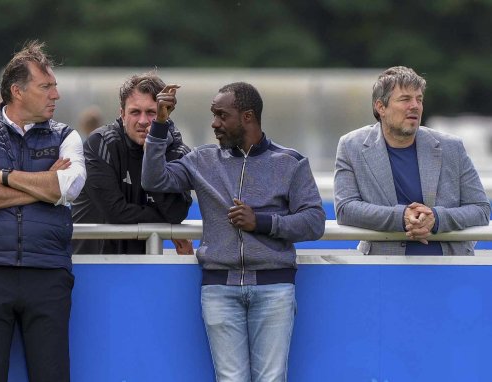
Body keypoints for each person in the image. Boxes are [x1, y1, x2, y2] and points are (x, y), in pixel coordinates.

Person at [142, 82, 325, 381]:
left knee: (271, 378)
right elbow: (153, 179)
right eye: (213, 115)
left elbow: (314, 221)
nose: (214, 123)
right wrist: (160, 124)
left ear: (248, 117)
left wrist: (262, 223)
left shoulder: (291, 162)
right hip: (218, 289)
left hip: (274, 287)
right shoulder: (202, 160)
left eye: (221, 115)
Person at [0, 40, 86, 381]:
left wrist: (5, 178)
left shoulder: (67, 136)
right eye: (46, 87)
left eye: (54, 86)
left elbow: (69, 187)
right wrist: (43, 188)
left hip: (48, 273)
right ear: (17, 91)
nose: (56, 95)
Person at [334, 65, 490, 255]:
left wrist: (436, 218)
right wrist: (401, 217)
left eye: (419, 99)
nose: (415, 106)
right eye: (405, 99)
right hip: (382, 267)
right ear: (381, 107)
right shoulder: (351, 146)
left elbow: (481, 209)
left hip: (450, 266)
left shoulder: (452, 147)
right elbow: (345, 209)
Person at [71, 72, 193, 255]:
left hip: (144, 268)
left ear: (164, 115)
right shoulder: (100, 143)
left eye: (152, 112)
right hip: (92, 266)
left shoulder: (177, 149)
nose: (143, 121)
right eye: (135, 112)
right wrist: (165, 220)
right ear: (122, 114)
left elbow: (176, 212)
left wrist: (153, 152)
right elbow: (115, 213)